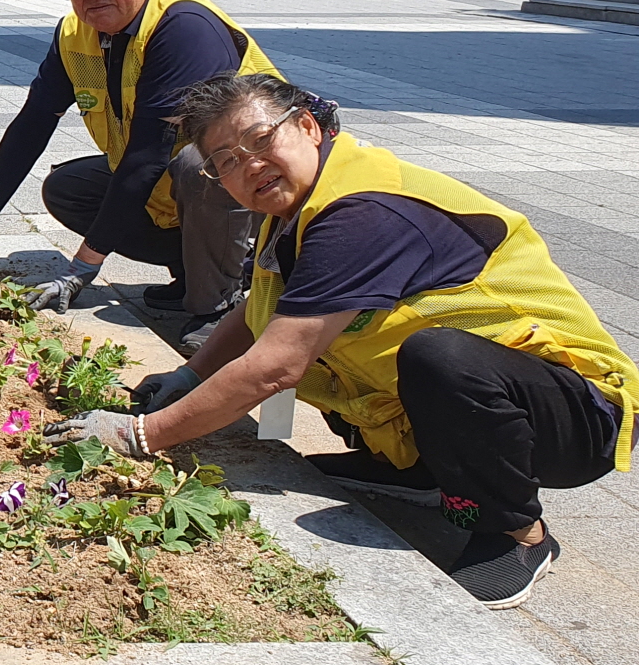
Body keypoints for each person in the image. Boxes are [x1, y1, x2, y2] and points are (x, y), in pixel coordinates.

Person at [54, 73, 637, 609]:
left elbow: (275, 366)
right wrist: (188, 377)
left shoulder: (360, 212)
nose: (250, 165)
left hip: (572, 412)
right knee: (384, 359)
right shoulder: (300, 204)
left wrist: (141, 436)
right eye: (226, 160)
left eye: (260, 139)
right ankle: (428, 475)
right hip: (483, 402)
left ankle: (516, 530)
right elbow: (262, 309)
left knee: (439, 357)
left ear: (307, 125)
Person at [0, 0, 282, 347]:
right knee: (69, 189)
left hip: (268, 196)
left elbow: (147, 155)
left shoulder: (182, 25)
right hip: (176, 183)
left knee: (196, 166)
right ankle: (195, 269)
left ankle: (221, 303)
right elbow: (33, 123)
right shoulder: (76, 33)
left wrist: (83, 267)